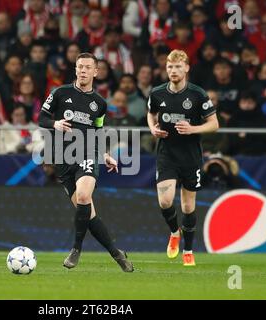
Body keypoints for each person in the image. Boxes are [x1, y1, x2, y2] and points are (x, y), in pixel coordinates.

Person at [38, 52, 134, 272]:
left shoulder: (99, 103)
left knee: (83, 196)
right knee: (89, 214)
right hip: (63, 159)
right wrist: (55, 125)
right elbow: (41, 118)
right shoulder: (60, 93)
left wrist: (104, 155)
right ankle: (117, 254)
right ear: (75, 69)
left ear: (95, 72)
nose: (83, 70)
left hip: (87, 154)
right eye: (79, 66)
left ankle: (75, 250)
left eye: (87, 67)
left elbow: (97, 132)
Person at [147, 50, 219, 266]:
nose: (173, 71)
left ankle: (188, 250)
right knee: (165, 201)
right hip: (167, 153)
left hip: (191, 156)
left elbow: (214, 124)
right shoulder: (157, 93)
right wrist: (152, 128)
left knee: (188, 207)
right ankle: (174, 232)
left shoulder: (197, 94)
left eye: (178, 67)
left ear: (186, 68)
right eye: (169, 67)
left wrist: (192, 129)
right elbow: (150, 113)